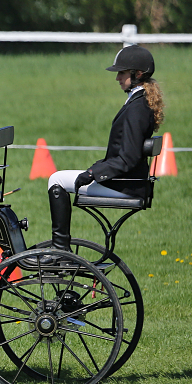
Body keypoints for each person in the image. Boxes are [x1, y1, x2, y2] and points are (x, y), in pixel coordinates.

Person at [43, 45, 164, 256]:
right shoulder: (139, 102)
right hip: (130, 182)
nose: (117, 78)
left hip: (124, 186)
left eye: (122, 73)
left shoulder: (137, 108)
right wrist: (96, 168)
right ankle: (60, 247)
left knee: (56, 180)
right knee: (59, 177)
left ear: (138, 74)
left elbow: (127, 158)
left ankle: (60, 249)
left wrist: (93, 173)